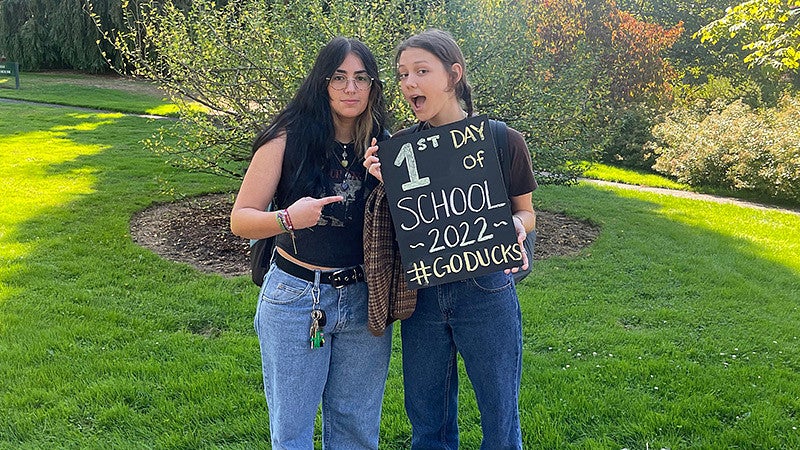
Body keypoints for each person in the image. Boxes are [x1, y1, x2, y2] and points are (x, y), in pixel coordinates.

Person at [363, 29, 537, 449]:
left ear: (453, 75)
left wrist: (518, 225)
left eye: (422, 71)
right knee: (428, 424)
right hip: (421, 293)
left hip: (486, 289)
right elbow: (405, 224)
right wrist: (386, 182)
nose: (409, 84)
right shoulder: (399, 149)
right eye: (403, 74)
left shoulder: (500, 138)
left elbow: (527, 211)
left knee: (500, 421)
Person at [230, 37, 392, 449]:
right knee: (292, 430)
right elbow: (241, 220)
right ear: (322, 82)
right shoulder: (286, 137)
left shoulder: (385, 144)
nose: (350, 89)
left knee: (356, 429)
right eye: (339, 78)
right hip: (297, 297)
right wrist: (288, 218)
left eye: (361, 78)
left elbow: (415, 223)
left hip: (364, 299)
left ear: (373, 86)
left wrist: (392, 185)